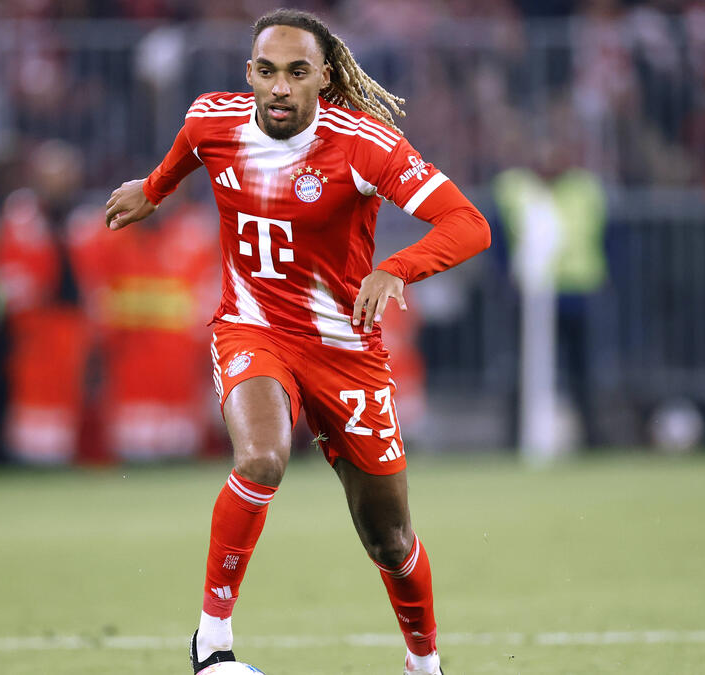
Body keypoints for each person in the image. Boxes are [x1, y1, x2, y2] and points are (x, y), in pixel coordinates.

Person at [106, 10, 490, 674]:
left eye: (296, 72)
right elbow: (186, 151)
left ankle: (424, 663)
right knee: (261, 458)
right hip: (254, 329)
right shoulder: (213, 120)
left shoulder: (364, 144)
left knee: (390, 538)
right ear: (249, 74)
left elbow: (468, 222)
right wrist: (153, 189)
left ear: (324, 78)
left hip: (347, 354)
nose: (279, 87)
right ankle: (212, 643)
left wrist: (397, 269)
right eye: (266, 71)